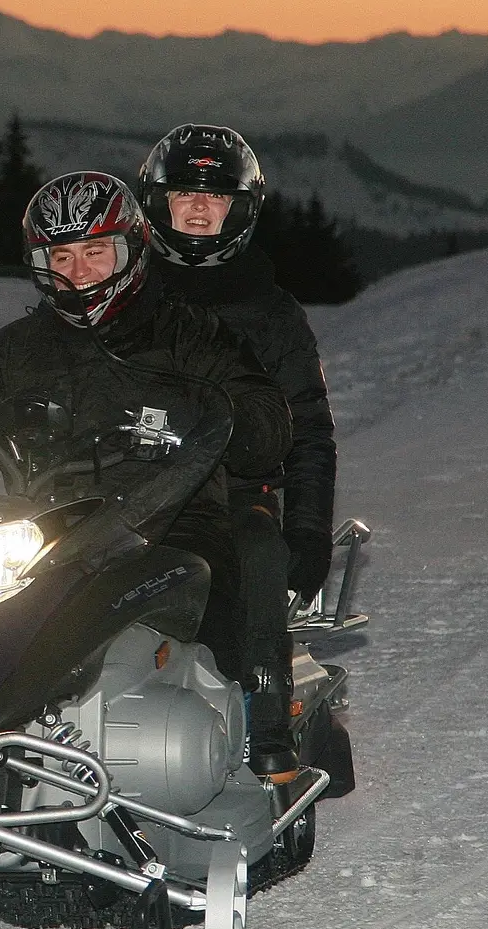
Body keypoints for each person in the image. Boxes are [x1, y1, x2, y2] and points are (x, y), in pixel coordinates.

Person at [0, 171, 292, 771]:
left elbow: (262, 416)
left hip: (170, 519)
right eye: (61, 256)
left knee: (242, 559)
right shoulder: (20, 348)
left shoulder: (189, 335)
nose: (78, 272)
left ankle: (262, 729)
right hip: (48, 530)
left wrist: (235, 422)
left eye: (95, 252)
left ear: (129, 249)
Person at [136, 125, 338, 783]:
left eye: (217, 196)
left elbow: (307, 428)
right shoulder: (124, 296)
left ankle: (264, 716)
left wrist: (305, 531)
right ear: (157, 203)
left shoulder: (270, 312)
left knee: (255, 546)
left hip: (232, 491)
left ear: (241, 209)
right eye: (185, 193)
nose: (199, 207)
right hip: (123, 487)